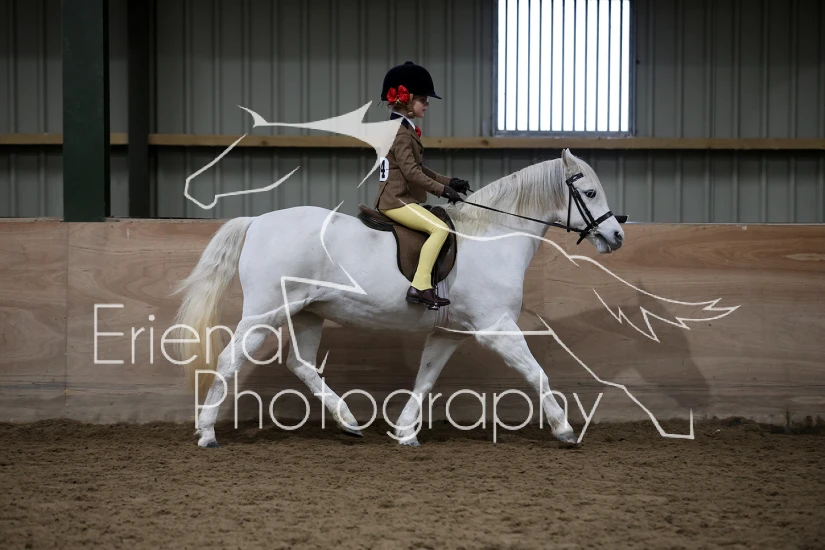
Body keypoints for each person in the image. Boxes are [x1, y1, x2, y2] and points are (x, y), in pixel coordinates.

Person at [374, 61, 471, 309]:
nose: (427, 104)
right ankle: (420, 285)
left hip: (400, 197)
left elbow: (419, 168)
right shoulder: (400, 132)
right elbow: (411, 173)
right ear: (406, 101)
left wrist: (450, 182)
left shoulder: (403, 128)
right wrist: (441, 190)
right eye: (423, 99)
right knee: (440, 229)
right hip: (395, 200)